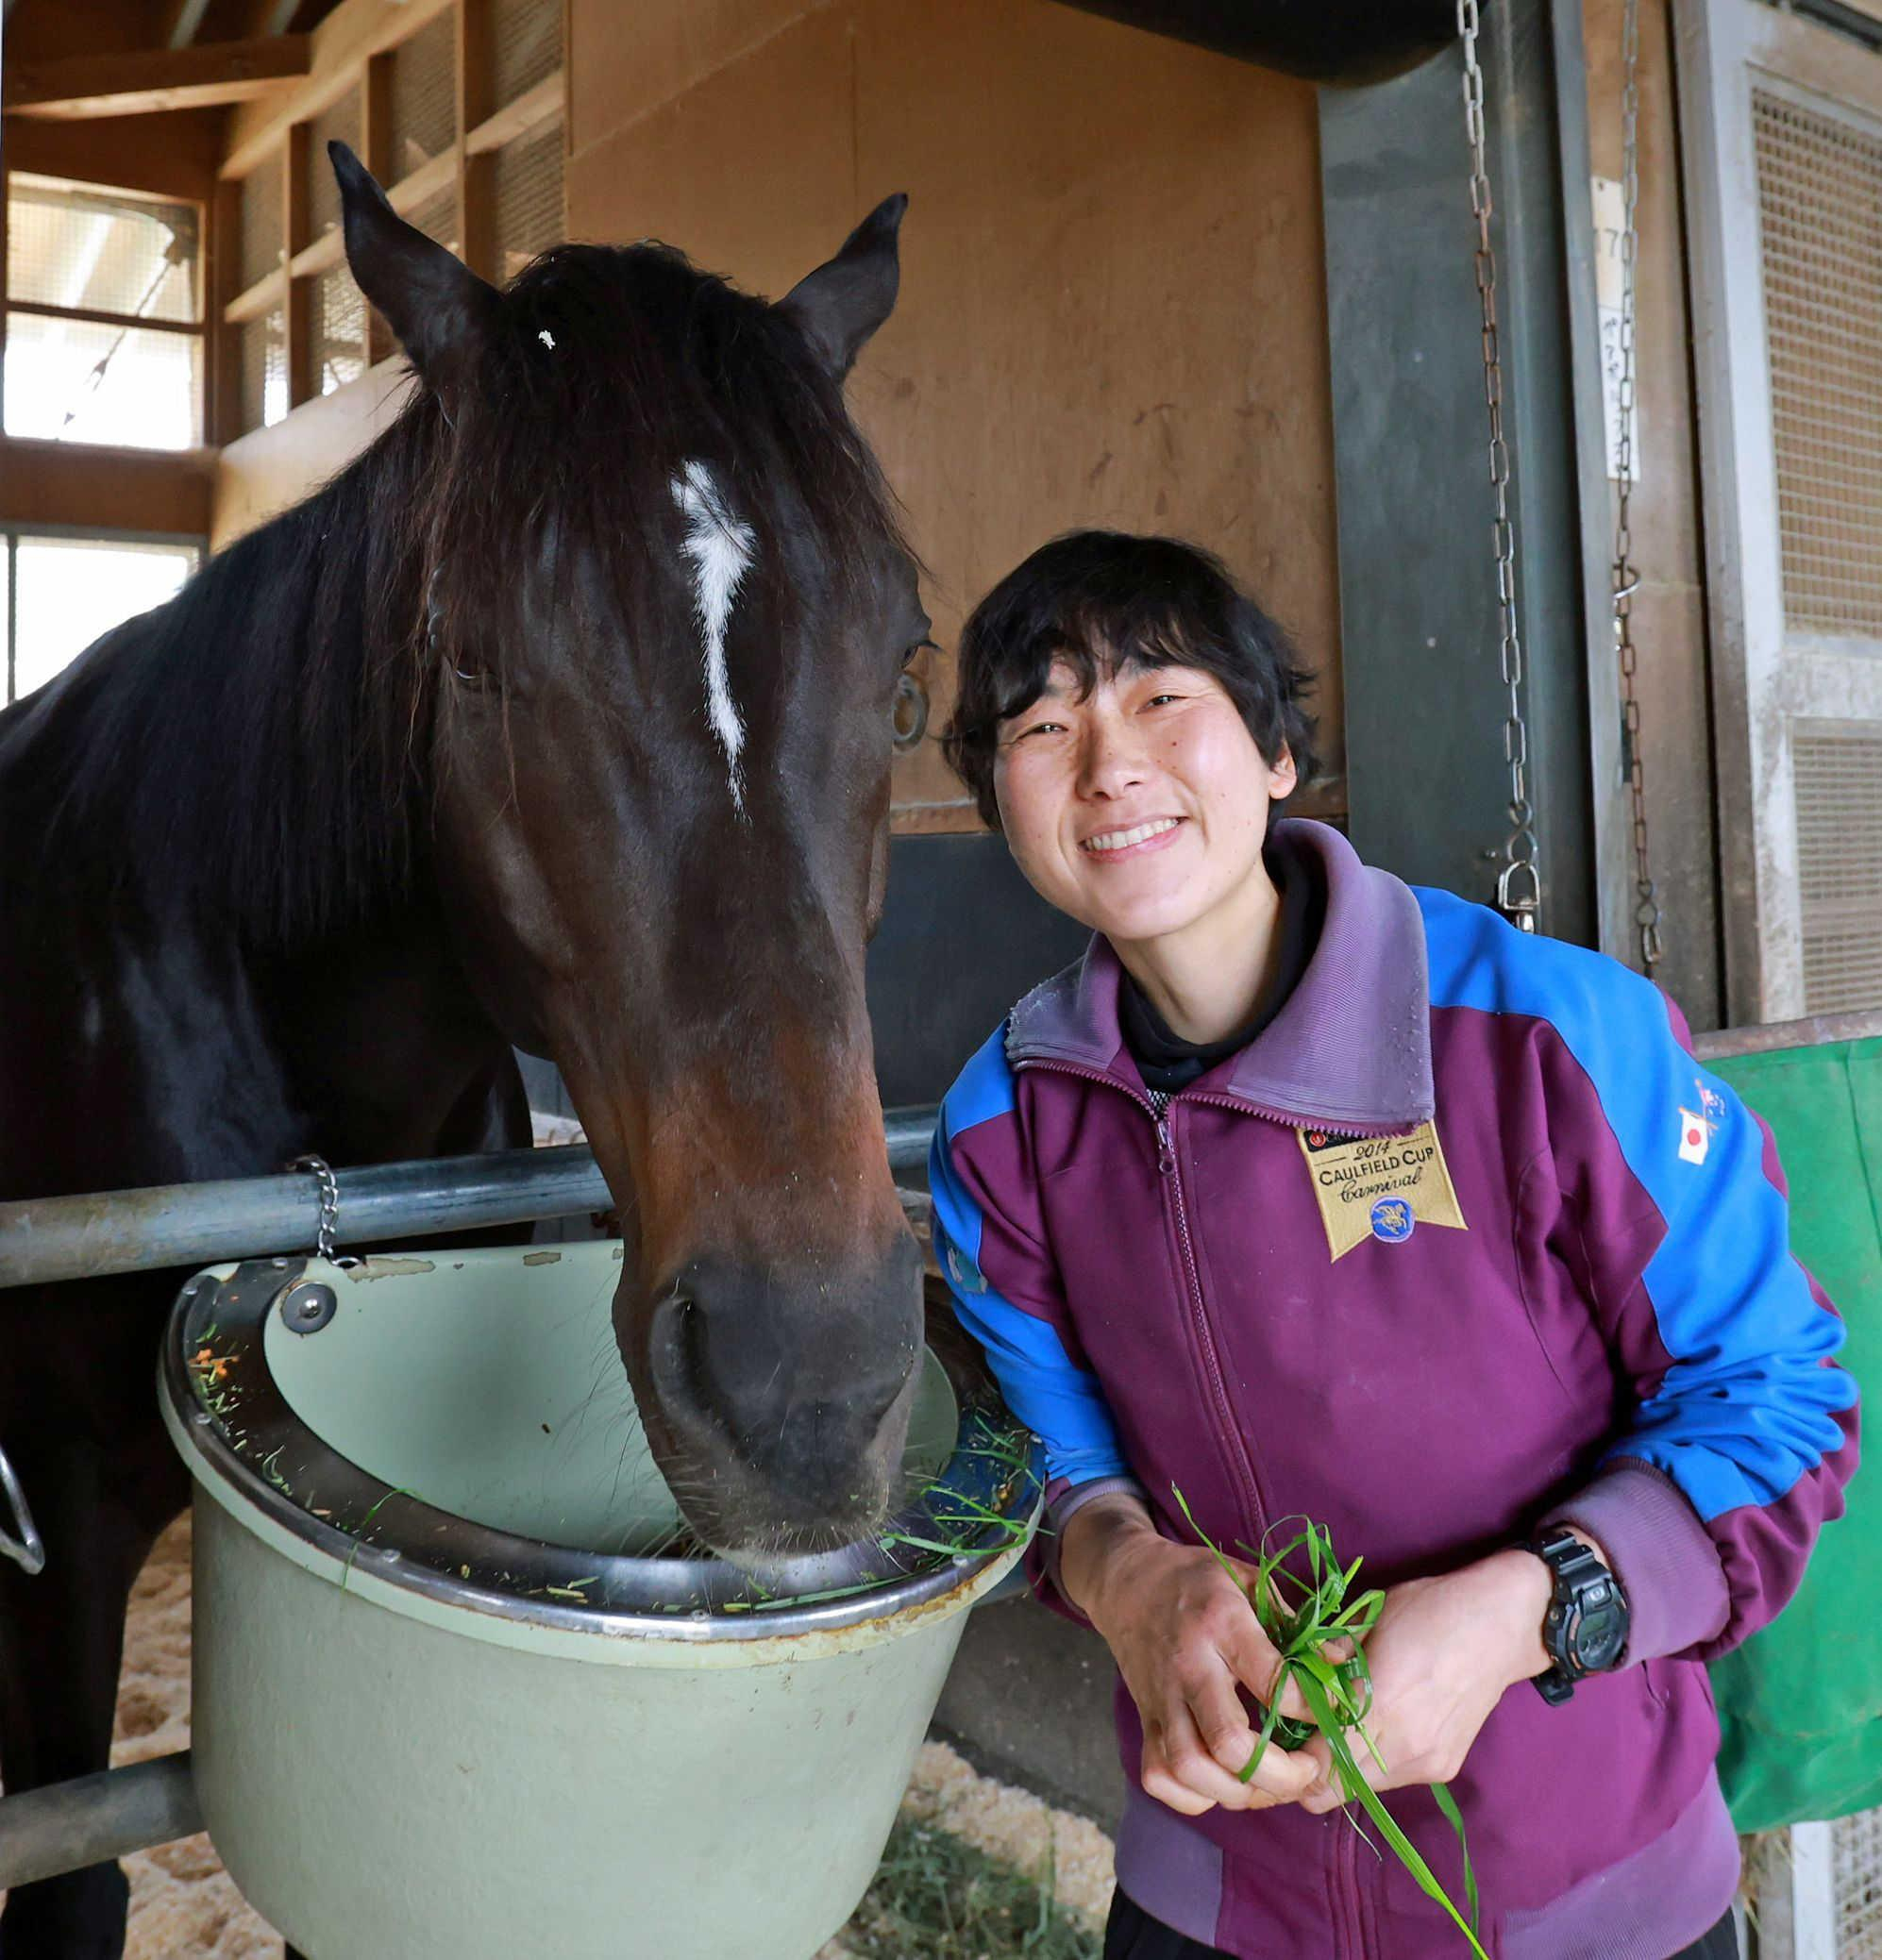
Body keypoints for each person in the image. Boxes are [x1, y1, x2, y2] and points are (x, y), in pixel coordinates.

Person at [927, 531, 1859, 1960]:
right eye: (1042, 726)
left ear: (1278, 752)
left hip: (1584, 1904)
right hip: (1219, 1902)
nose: (1106, 762)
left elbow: (1779, 1406)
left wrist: (1521, 1613)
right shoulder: (1001, 1128)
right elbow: (1037, 1456)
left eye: (1161, 697)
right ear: (1000, 804)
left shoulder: (1543, 1041)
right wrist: (1127, 1575)